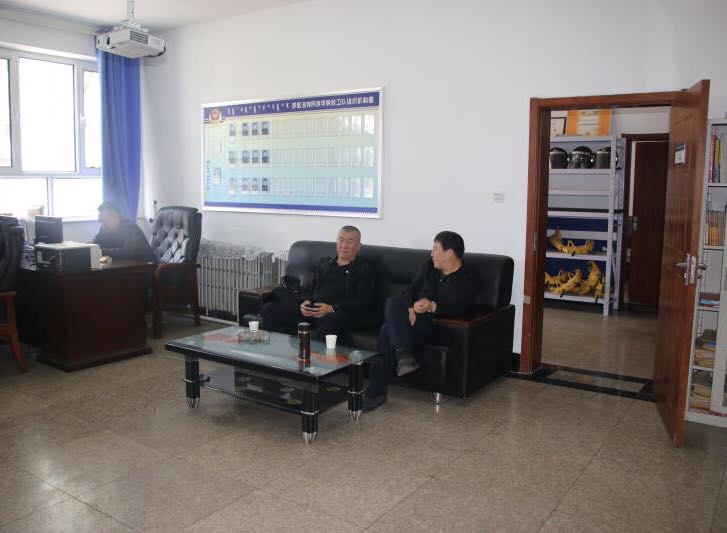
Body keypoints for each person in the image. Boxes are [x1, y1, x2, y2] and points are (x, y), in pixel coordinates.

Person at [365, 231, 480, 410]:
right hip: (412, 319)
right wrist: (410, 307)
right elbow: (409, 291)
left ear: (449, 253)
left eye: (435, 249)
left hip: (436, 326)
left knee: (387, 330)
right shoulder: (429, 267)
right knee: (392, 304)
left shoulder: (469, 278)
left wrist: (432, 306)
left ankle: (377, 391)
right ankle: (403, 355)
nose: (431, 254)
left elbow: (458, 306)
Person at [261, 226, 377, 341]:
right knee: (269, 309)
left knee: (332, 320)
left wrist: (332, 308)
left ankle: (312, 351)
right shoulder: (325, 263)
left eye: (349, 242)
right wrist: (305, 302)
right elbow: (310, 289)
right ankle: (279, 349)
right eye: (341, 240)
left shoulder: (364, 268)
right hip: (312, 311)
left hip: (337, 314)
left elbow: (362, 300)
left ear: (358, 246)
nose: (344, 246)